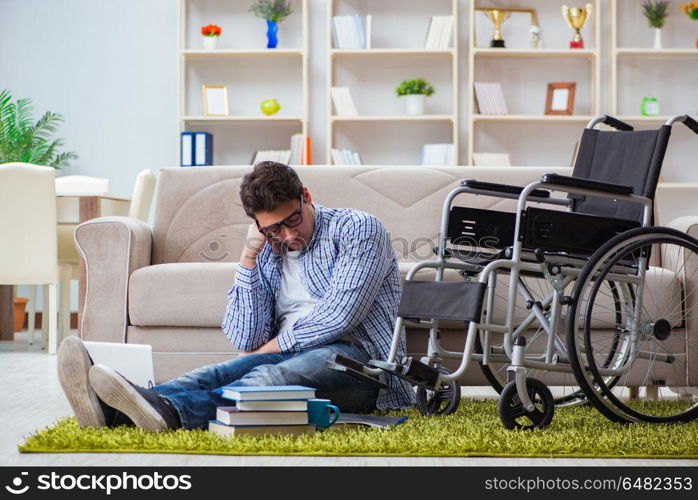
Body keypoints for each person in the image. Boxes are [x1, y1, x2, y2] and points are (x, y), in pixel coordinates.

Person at [58, 161, 415, 432]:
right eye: (273, 228)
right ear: (256, 224)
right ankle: (117, 411)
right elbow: (244, 337)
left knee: (267, 379)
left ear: (305, 196)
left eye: (293, 219)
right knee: (213, 373)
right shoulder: (266, 246)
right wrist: (248, 260)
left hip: (363, 366)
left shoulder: (358, 228)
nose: (288, 234)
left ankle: (166, 412)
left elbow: (339, 317)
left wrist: (266, 352)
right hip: (290, 354)